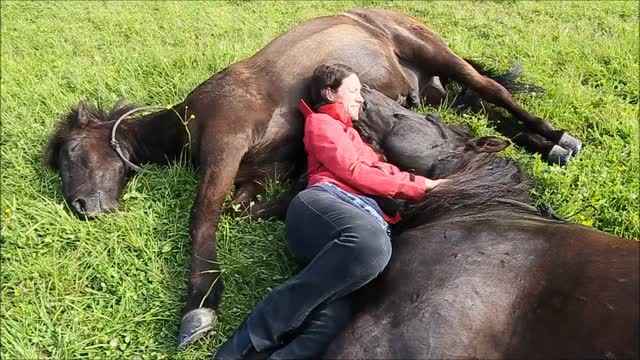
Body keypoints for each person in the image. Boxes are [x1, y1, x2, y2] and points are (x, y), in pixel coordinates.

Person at [214, 64, 448, 359]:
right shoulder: (322, 124)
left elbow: (379, 171)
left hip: (352, 236)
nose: (361, 98)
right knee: (372, 246)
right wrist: (422, 186)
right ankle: (238, 348)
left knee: (331, 326)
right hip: (324, 206)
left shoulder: (357, 138)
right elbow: (355, 171)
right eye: (353, 90)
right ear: (329, 93)